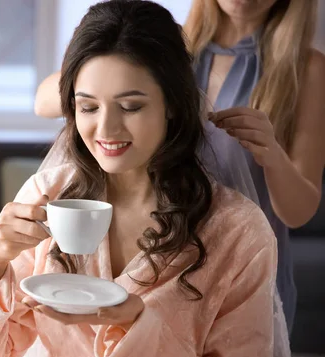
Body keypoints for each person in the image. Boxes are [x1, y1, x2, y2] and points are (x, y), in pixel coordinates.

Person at [0, 1, 278, 357]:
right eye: (88, 107)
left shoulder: (239, 232)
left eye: (131, 106)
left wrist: (139, 331)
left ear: (171, 104)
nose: (106, 128)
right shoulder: (47, 196)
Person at [34, 0, 325, 338]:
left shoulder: (304, 68)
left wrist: (271, 153)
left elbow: (298, 212)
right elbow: (44, 102)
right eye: (89, 107)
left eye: (131, 106)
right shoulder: (168, 46)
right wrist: (110, 70)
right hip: (165, 257)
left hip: (239, 267)